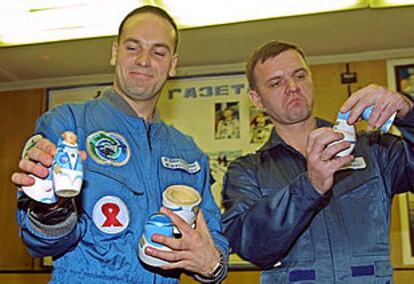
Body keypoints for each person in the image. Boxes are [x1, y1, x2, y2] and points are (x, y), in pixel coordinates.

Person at [11, 6, 228, 284]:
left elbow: (213, 241)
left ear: (173, 64)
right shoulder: (68, 126)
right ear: (115, 52)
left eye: (158, 52)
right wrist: (51, 209)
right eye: (133, 47)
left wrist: (212, 264)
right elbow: (40, 243)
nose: (144, 60)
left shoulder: (189, 153)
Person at [221, 40, 414, 283]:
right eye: (276, 82)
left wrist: (409, 112)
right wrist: (309, 187)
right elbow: (251, 246)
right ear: (257, 99)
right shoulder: (247, 171)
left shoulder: (373, 149)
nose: (292, 87)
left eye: (300, 75)